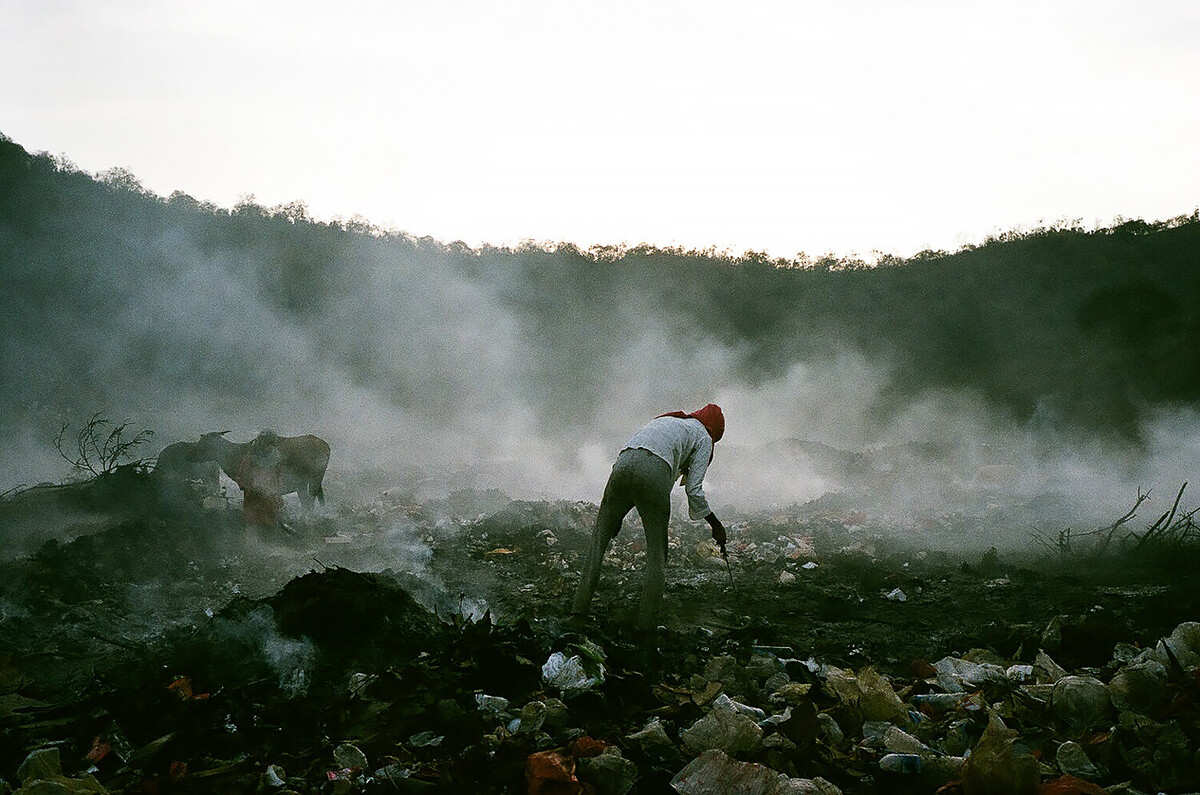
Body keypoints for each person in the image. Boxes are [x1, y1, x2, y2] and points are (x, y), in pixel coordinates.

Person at [571, 403, 728, 631]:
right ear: (715, 430)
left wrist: (616, 516)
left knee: (598, 542)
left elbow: (634, 458)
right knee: (657, 554)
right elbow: (693, 489)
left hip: (622, 465)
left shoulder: (669, 421)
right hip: (654, 471)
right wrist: (716, 525)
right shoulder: (704, 436)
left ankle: (578, 614)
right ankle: (646, 628)